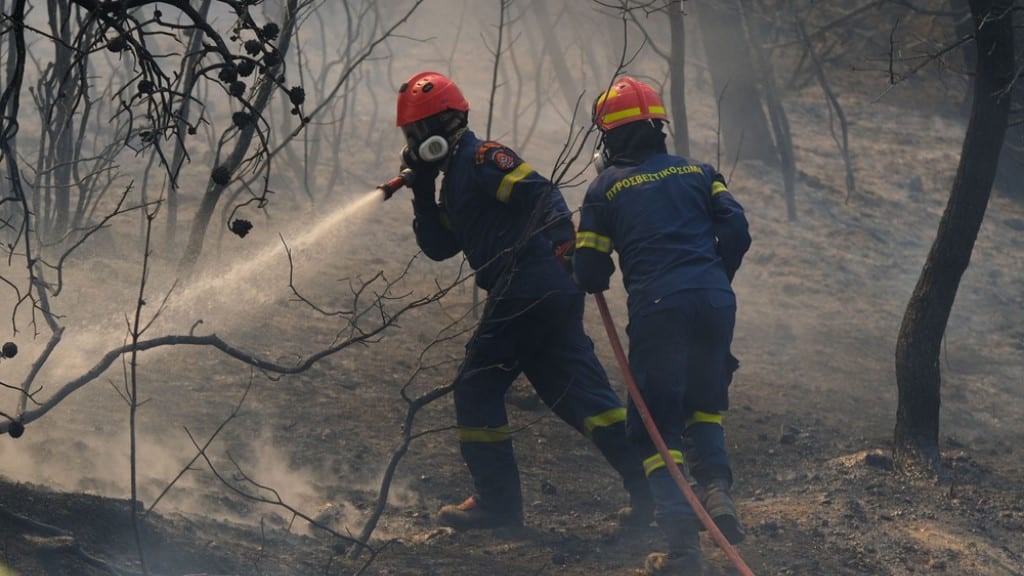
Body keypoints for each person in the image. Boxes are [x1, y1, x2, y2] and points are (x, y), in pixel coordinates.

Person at [393, 71, 652, 531]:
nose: (412, 146)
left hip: (529, 283)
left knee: (476, 385)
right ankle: (655, 492)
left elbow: (543, 193)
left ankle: (499, 505)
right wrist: (419, 191)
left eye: (416, 135)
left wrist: (562, 247)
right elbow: (438, 246)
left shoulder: (481, 158)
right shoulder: (454, 180)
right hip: (545, 289)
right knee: (580, 396)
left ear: (441, 126)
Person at [573, 76, 752, 575]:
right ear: (660, 129)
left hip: (659, 306)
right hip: (716, 300)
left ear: (608, 141)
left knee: (653, 429)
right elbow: (736, 228)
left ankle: (682, 554)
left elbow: (589, 273)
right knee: (704, 404)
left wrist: (591, 254)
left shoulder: (604, 188)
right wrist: (715, 276)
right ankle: (717, 493)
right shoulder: (701, 172)